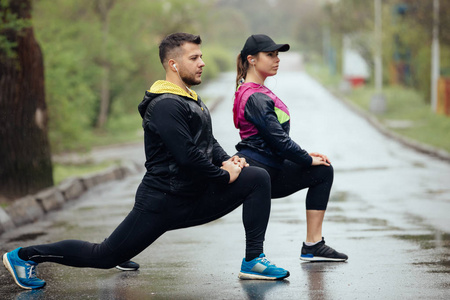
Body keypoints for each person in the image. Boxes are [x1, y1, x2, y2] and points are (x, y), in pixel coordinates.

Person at [2, 32, 290, 290]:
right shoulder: (165, 104)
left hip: (193, 195)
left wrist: (230, 161)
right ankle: (24, 256)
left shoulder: (190, 98)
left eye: (201, 56)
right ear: (173, 65)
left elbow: (207, 142)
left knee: (256, 177)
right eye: (194, 58)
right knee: (103, 256)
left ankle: (253, 260)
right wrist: (225, 176)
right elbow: (188, 157)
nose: (202, 62)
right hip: (163, 200)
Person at [233, 34, 348, 262]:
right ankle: (254, 259)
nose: (277, 59)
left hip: (271, 165)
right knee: (316, 167)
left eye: (277, 55)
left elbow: (275, 138)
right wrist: (305, 159)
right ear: (252, 59)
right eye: (270, 55)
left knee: (322, 170)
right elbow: (278, 140)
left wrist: (306, 156)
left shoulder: (258, 90)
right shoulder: (254, 95)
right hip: (258, 168)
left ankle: (313, 245)